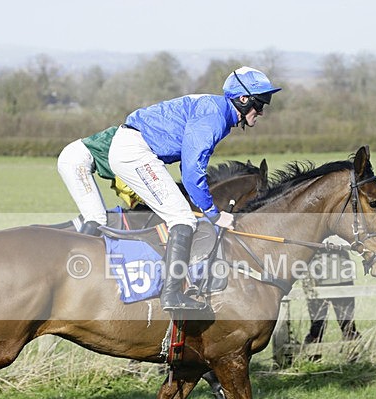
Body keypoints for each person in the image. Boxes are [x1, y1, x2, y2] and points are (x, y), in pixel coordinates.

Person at [107, 66, 281, 312]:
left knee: (177, 214)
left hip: (134, 149)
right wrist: (213, 213)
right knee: (183, 218)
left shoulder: (217, 111)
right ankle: (171, 295)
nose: (262, 112)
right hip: (135, 152)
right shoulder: (214, 117)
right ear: (243, 99)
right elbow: (191, 173)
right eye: (261, 103)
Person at [57, 127, 144, 235]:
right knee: (97, 219)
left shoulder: (132, 134)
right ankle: (82, 251)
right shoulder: (137, 147)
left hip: (75, 156)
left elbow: (121, 185)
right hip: (77, 162)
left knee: (95, 216)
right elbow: (124, 186)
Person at [303, 237, 359, 344]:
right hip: (321, 274)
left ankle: (353, 354)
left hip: (338, 273)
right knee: (317, 326)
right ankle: (314, 356)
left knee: (347, 325)